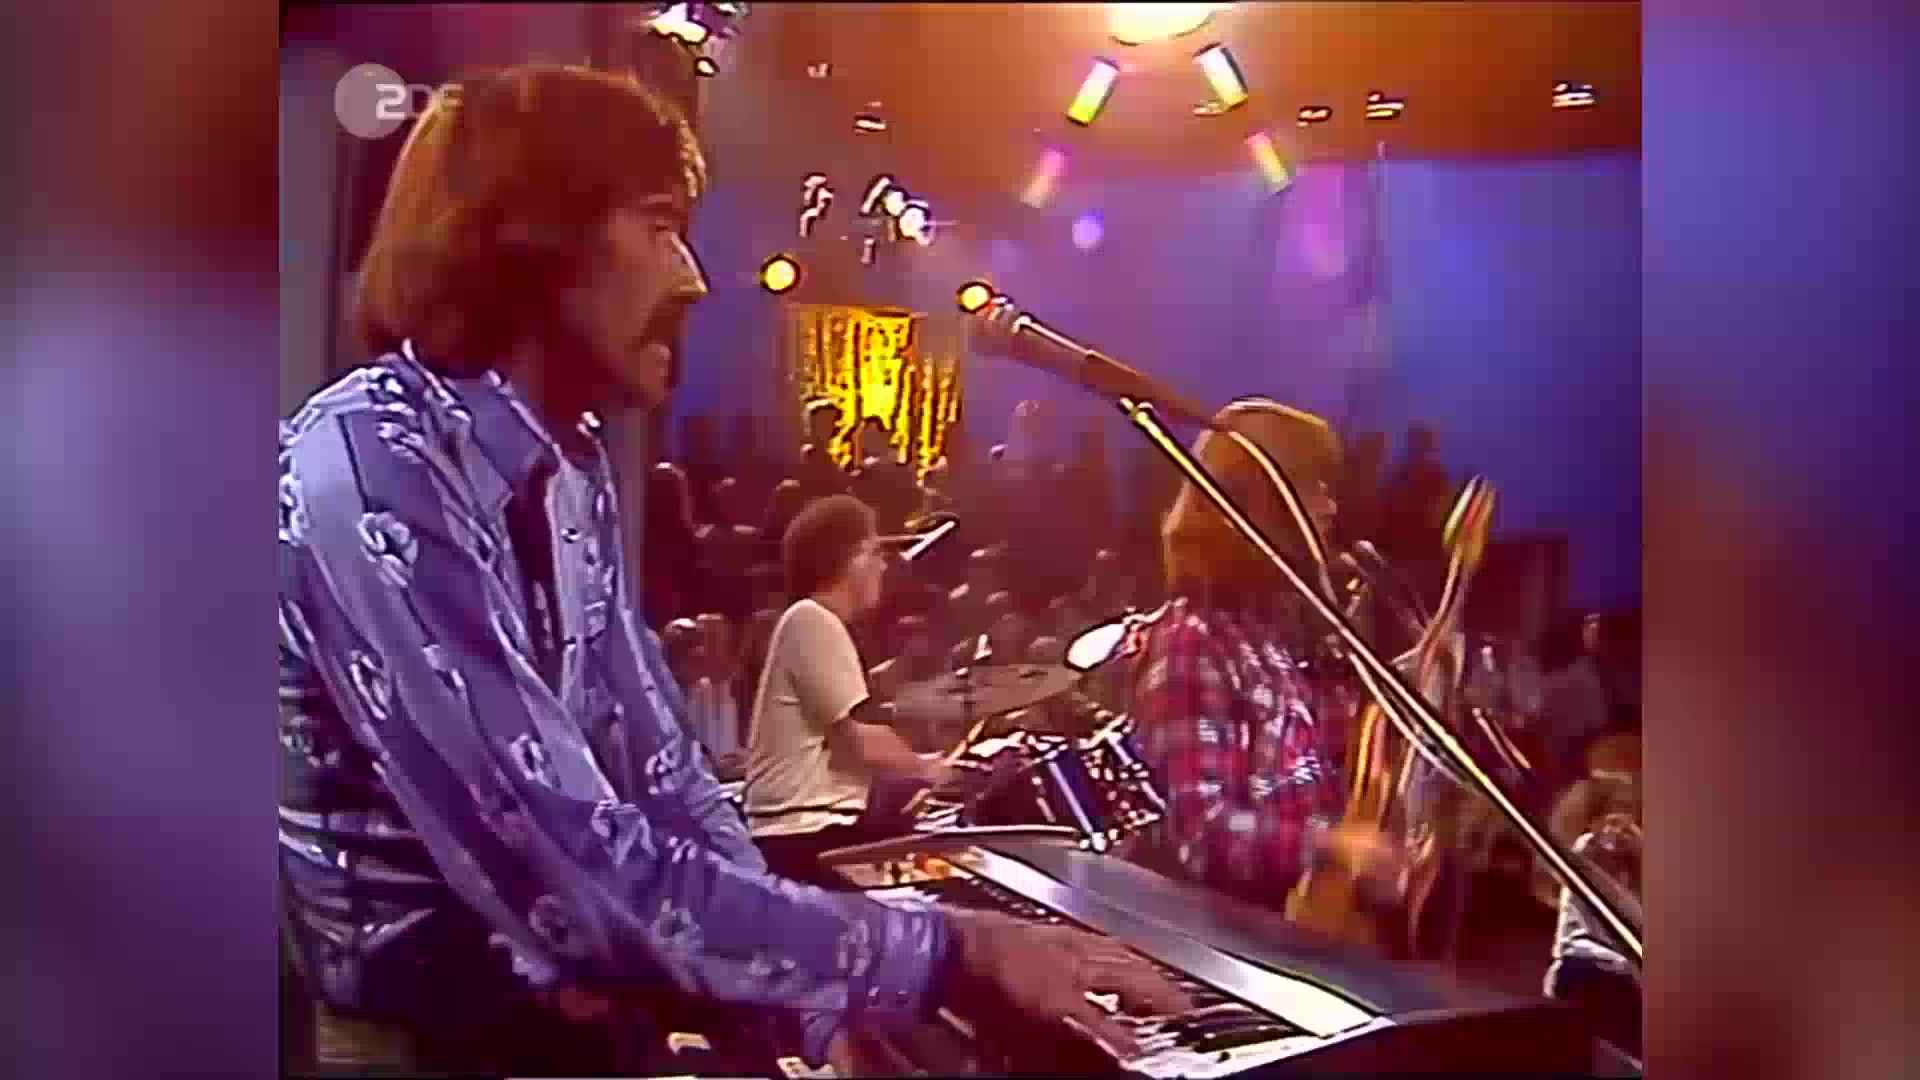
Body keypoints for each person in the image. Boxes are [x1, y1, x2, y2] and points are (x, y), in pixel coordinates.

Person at [278, 64, 1185, 1076]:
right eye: (660, 225)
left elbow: (665, 778)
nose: (695, 278)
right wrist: (942, 953)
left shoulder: (572, 466)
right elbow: (571, 872)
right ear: (529, 238)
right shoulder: (374, 463)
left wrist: (818, 1002)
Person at [1128, 399, 1399, 910]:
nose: (1330, 508)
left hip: (1314, 920)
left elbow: (1320, 764)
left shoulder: (1275, 633)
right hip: (1248, 939)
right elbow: (1200, 833)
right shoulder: (1193, 640)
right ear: (1264, 505)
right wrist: (1332, 848)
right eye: (1314, 488)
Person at [743, 495, 956, 886]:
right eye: (875, 552)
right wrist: (926, 768)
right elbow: (858, 741)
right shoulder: (811, 620)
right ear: (850, 559)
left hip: (811, 833)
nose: (883, 566)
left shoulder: (812, 623)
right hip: (804, 838)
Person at [1542, 774, 1644, 1057]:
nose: (1623, 820)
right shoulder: (1586, 850)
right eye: (1615, 809)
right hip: (1587, 973)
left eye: (1631, 809)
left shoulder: (1631, 862)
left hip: (1621, 978)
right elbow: (1629, 917)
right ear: (1592, 818)